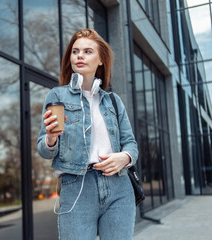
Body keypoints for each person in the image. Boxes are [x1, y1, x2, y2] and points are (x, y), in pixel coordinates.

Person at [37, 28, 139, 240]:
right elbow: (44, 151)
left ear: (100, 60)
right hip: (77, 188)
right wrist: (50, 138)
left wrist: (125, 157)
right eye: (75, 51)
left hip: (119, 187)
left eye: (87, 51)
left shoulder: (113, 101)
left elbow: (130, 143)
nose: (80, 56)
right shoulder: (57, 96)